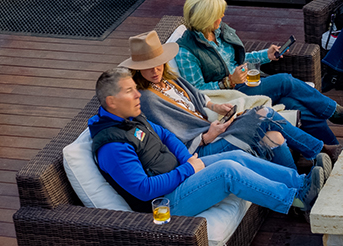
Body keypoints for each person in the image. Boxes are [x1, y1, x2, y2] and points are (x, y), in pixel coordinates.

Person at [89, 68, 327, 223]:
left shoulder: (130, 116)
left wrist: (188, 161)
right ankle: (296, 199)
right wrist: (188, 170)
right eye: (130, 91)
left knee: (235, 157)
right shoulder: (112, 145)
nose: (138, 94)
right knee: (227, 172)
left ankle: (301, 183)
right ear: (112, 101)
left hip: (179, 175)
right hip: (165, 205)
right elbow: (143, 189)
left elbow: (166, 136)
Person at [174, 0, 343, 150]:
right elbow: (198, 92)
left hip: (246, 83)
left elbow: (237, 58)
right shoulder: (186, 51)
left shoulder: (217, 31)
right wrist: (228, 81)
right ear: (204, 18)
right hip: (232, 96)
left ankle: (334, 148)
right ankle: (336, 112)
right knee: (284, 81)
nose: (222, 18)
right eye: (218, 15)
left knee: (295, 105)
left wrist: (266, 55)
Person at [123, 31, 331, 173]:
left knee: (274, 136)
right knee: (264, 114)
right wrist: (206, 136)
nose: (155, 70)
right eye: (148, 66)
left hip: (213, 130)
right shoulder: (147, 98)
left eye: (158, 63)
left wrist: (215, 106)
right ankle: (321, 152)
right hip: (200, 149)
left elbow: (197, 95)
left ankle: (297, 193)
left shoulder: (169, 79)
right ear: (137, 69)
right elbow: (171, 138)